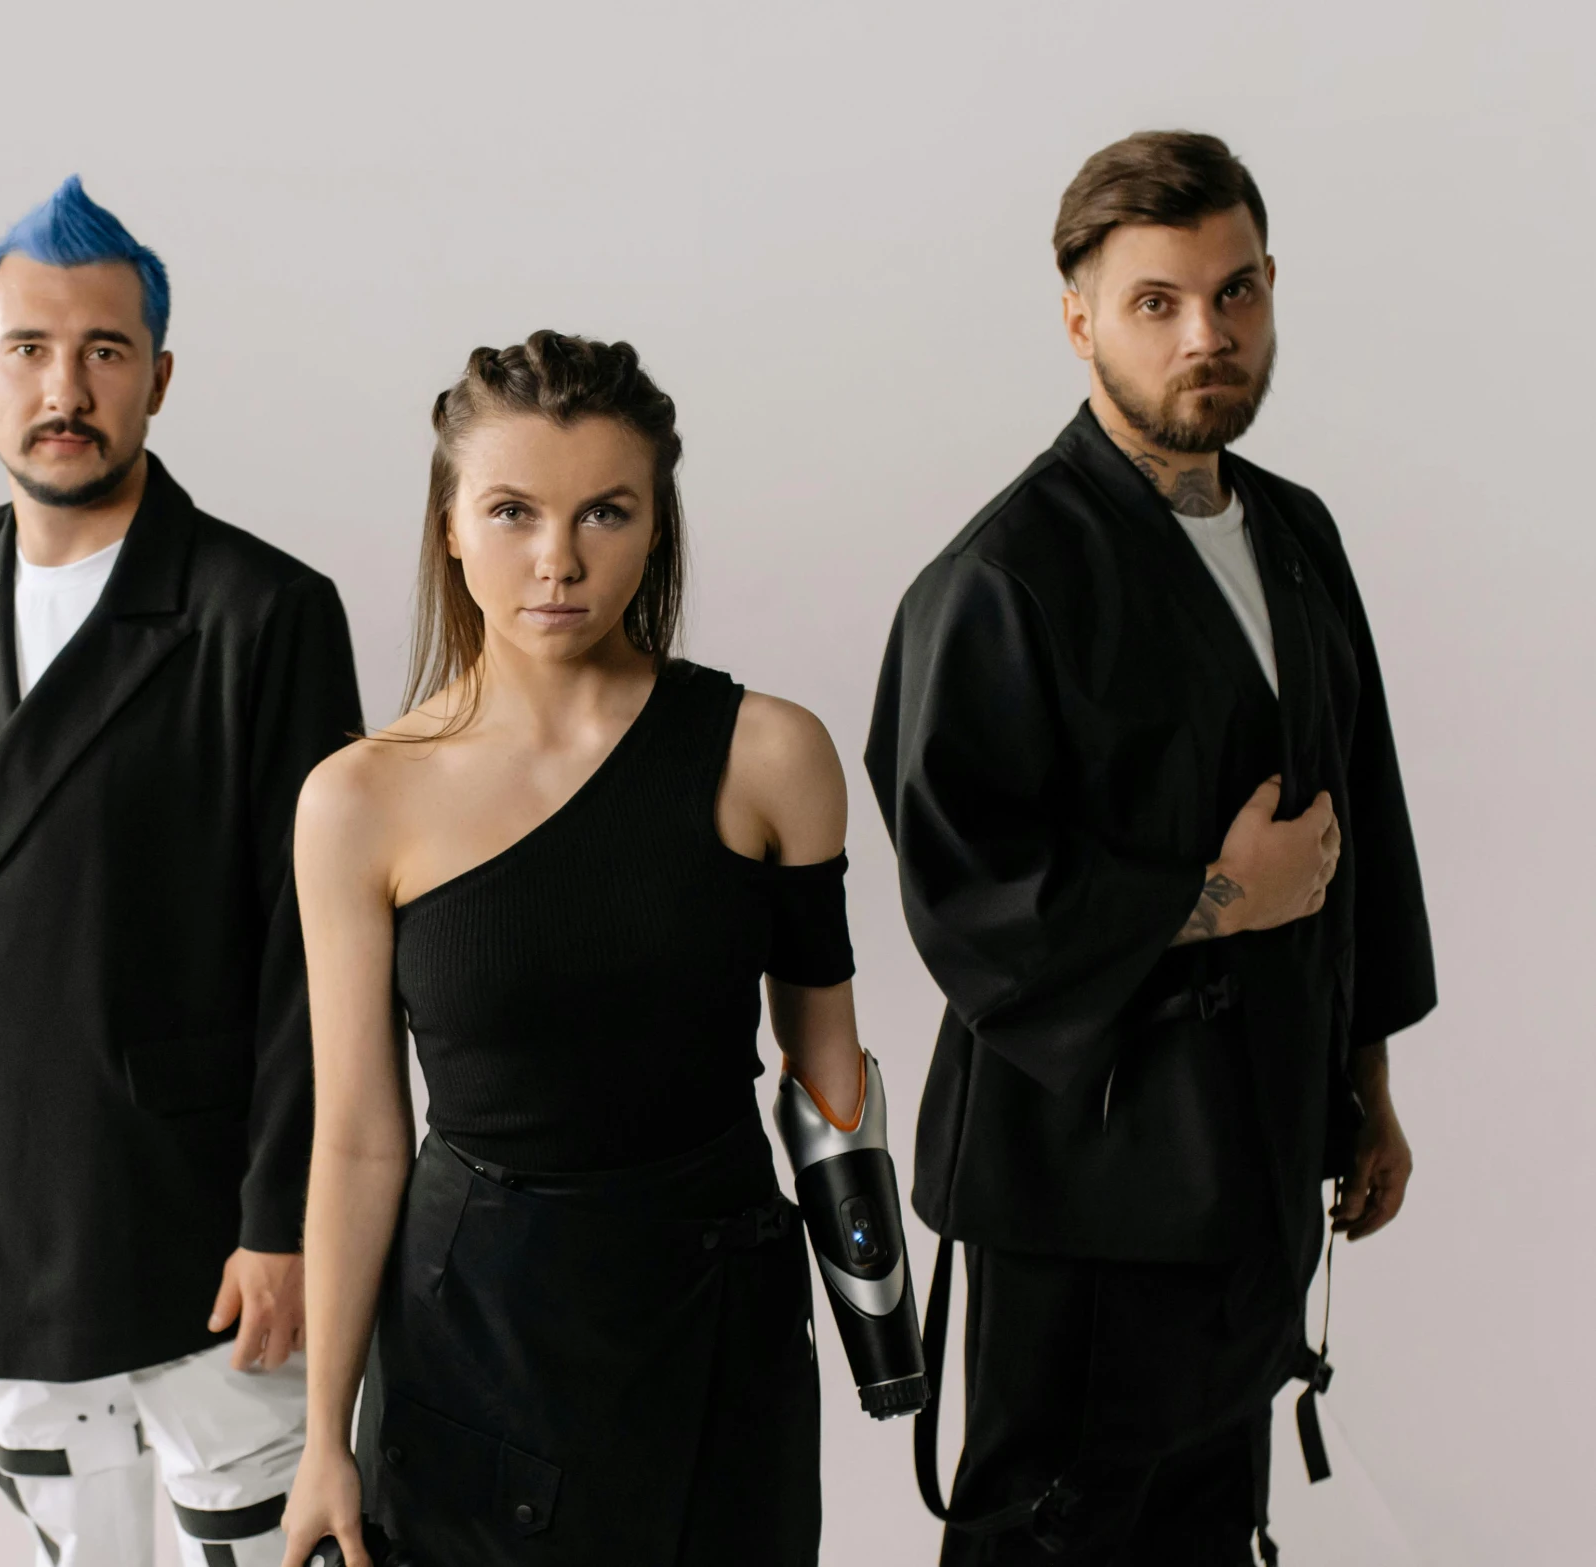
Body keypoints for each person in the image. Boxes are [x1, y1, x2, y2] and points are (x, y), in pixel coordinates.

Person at [865, 132, 1435, 1565]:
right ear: (1076, 318)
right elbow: (964, 887)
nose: (1208, 335)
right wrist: (1215, 899)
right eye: (1156, 302)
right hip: (1085, 1177)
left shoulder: (1294, 532)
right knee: (1053, 1530)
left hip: (1254, 1148)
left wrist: (1362, 1082)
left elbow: (1356, 815)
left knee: (1207, 1513)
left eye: (1234, 292)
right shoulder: (999, 577)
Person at [283, 331, 898, 1566]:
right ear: (451, 527)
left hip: (716, 1324)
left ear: (657, 524)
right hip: (475, 1345)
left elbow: (828, 1072)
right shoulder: (359, 799)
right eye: (511, 511)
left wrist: (884, 1326)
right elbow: (356, 1133)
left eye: (605, 512)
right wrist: (321, 1438)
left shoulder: (769, 755)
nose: (557, 560)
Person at [0, 175, 364, 1567]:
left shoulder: (259, 610)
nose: (63, 386)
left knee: (262, 1535)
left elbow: (310, 948)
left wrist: (284, 1218)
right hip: (7, 1172)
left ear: (158, 374)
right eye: (28, 349)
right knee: (66, 1531)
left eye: (101, 351)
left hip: (197, 1205)